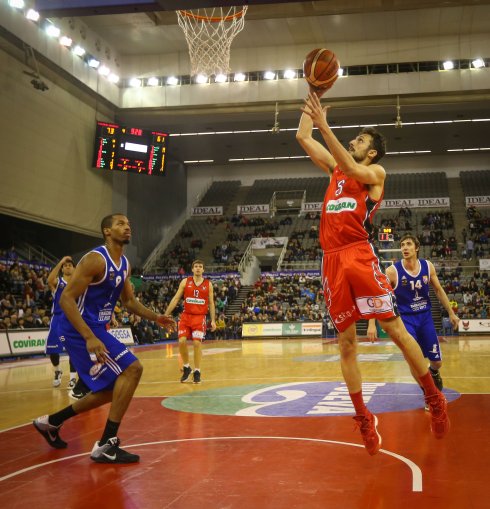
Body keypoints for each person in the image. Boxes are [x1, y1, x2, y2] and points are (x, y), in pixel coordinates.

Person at [296, 88, 450, 455]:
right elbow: (303, 136)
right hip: (331, 259)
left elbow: (349, 166)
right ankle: (364, 417)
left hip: (359, 256)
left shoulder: (374, 173)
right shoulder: (334, 169)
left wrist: (325, 124)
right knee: (346, 344)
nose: (353, 140)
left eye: (360, 139)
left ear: (372, 152)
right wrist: (311, 96)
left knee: (395, 329)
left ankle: (434, 398)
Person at [33, 214, 176, 463]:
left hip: (97, 328)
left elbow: (129, 301)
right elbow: (66, 298)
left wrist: (156, 318)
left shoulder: (124, 264)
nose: (127, 226)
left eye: (129, 223)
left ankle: (51, 422)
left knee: (112, 390)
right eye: (120, 224)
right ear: (107, 231)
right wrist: (89, 337)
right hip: (78, 329)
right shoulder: (95, 260)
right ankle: (106, 444)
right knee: (132, 369)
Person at [367, 234, 459, 408]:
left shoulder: (427, 266)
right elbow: (378, 296)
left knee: (437, 362)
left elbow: (438, 290)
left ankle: (433, 373)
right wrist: (372, 323)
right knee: (413, 361)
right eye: (402, 245)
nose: (405, 248)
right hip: (405, 320)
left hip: (425, 317)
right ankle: (429, 394)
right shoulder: (392, 271)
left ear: (416, 248)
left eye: (408, 244)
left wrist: (451, 313)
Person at [164, 259, 216, 384]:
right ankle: (187, 367)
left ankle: (197, 371)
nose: (198, 268)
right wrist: (165, 314)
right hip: (186, 316)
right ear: (192, 269)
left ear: (203, 270)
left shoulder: (208, 284)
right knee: (181, 341)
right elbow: (176, 298)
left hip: (199, 318)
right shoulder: (185, 282)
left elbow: (211, 303)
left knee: (197, 344)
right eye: (196, 266)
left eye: (200, 266)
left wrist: (213, 320)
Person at [46, 256, 78, 389]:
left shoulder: (78, 284)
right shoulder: (58, 282)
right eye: (65, 265)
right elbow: (49, 280)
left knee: (74, 350)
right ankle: (58, 370)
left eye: (70, 265)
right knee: (52, 349)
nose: (68, 266)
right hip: (58, 318)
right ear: (62, 268)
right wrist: (60, 262)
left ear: (74, 268)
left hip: (73, 318)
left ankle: (72, 379)